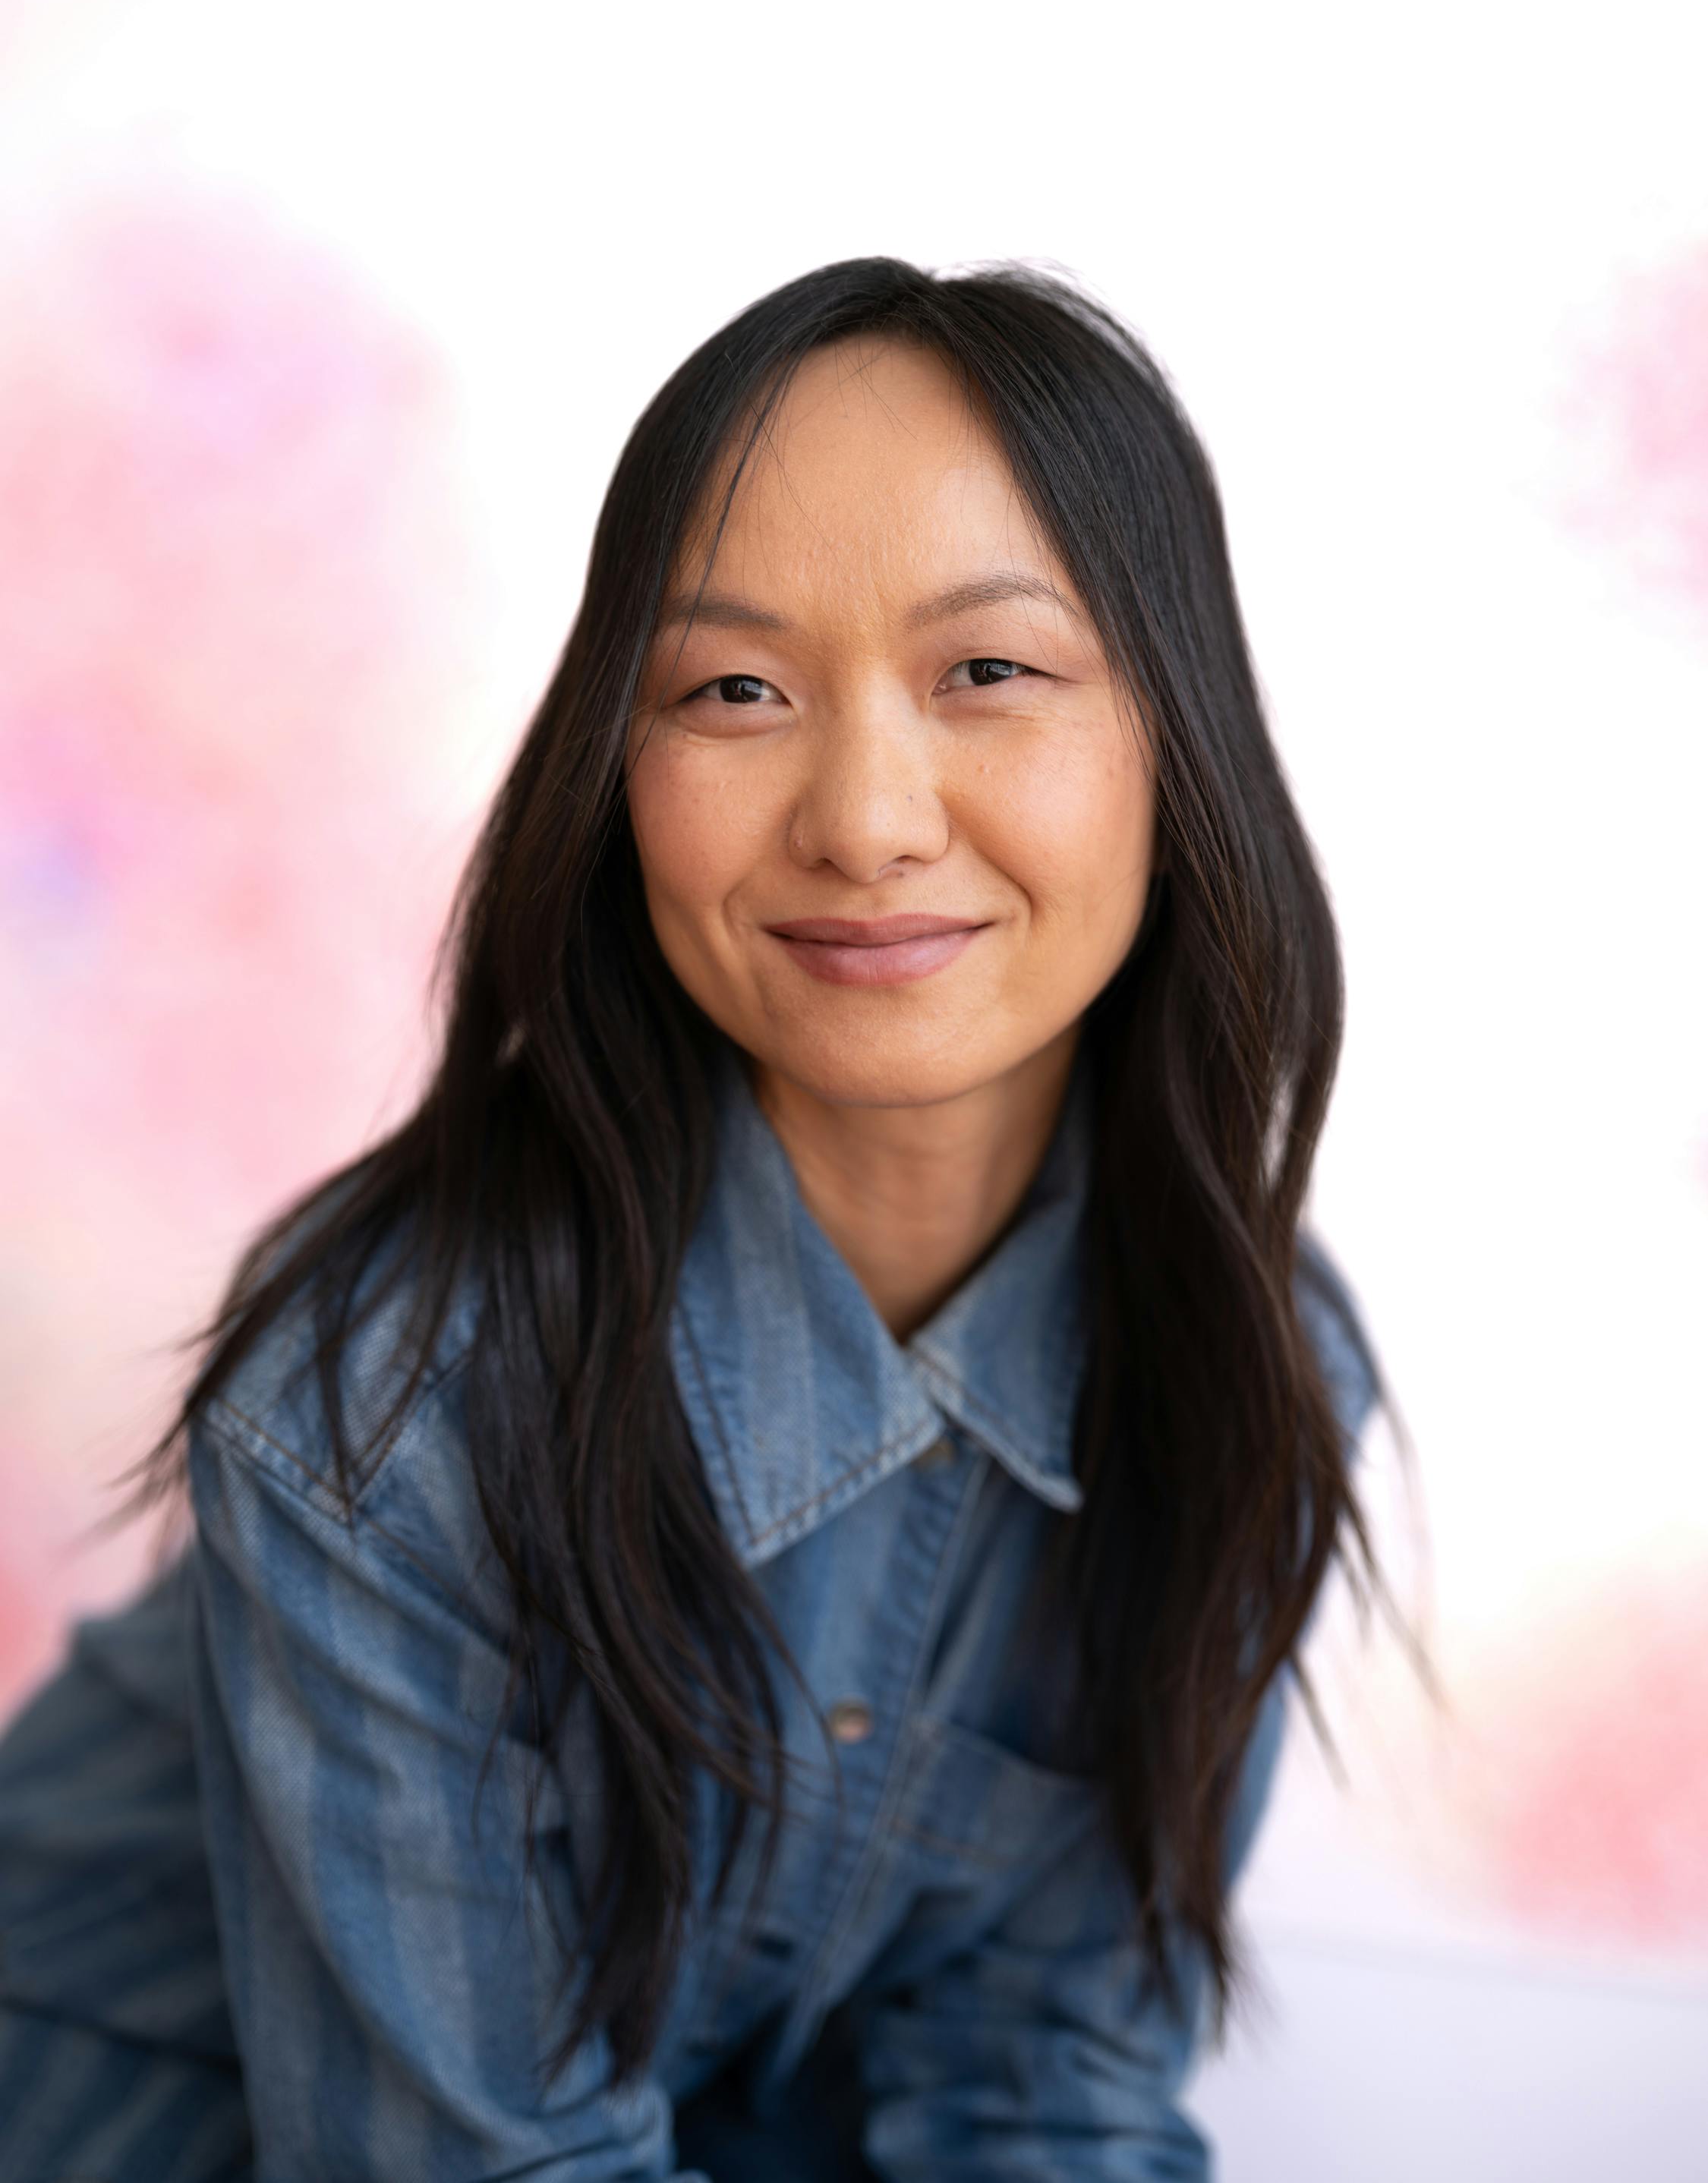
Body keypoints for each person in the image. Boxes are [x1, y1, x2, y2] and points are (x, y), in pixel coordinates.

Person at [0, 255, 1391, 2181]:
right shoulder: (386, 1402)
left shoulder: (1256, 1360)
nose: (868, 818)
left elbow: (1041, 2089)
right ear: (616, 772)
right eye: (733, 689)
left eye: (988, 671)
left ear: (1178, 740)